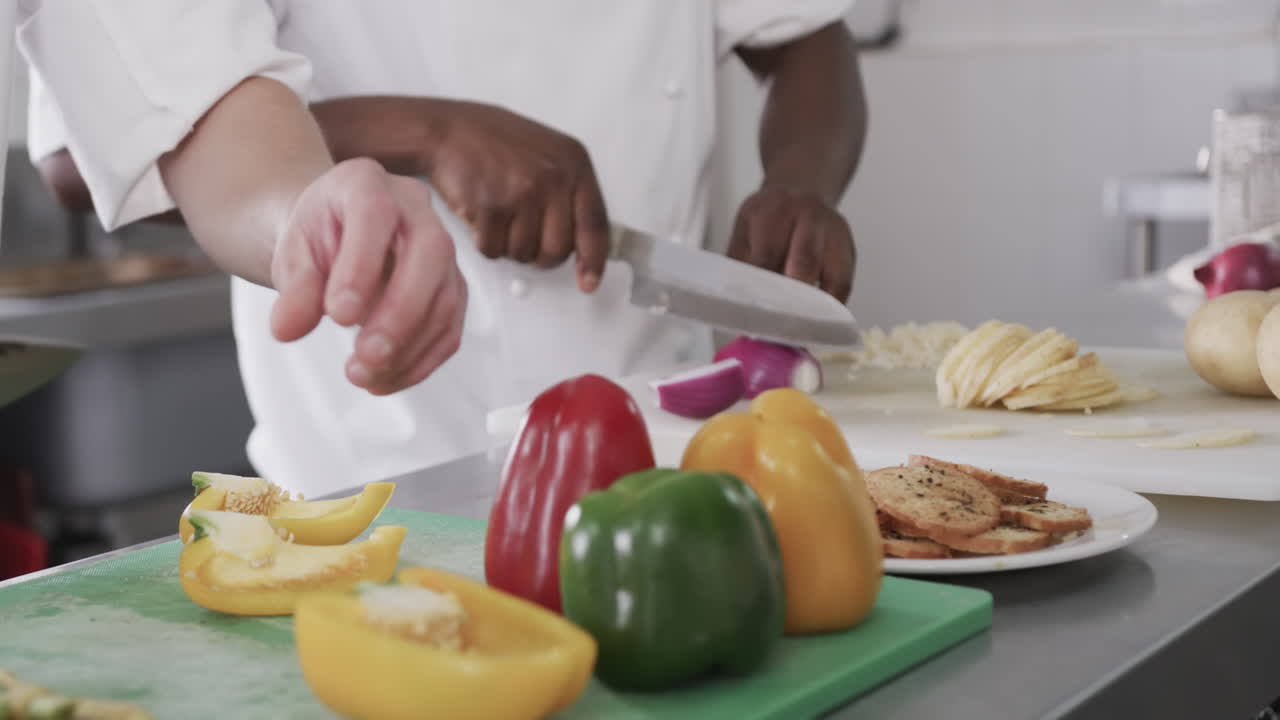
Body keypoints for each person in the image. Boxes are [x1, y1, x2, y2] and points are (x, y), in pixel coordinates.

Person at [23, 1, 868, 498]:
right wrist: (417, 138)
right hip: (376, 476)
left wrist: (801, 182)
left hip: (671, 461)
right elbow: (117, 130)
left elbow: (806, 36)